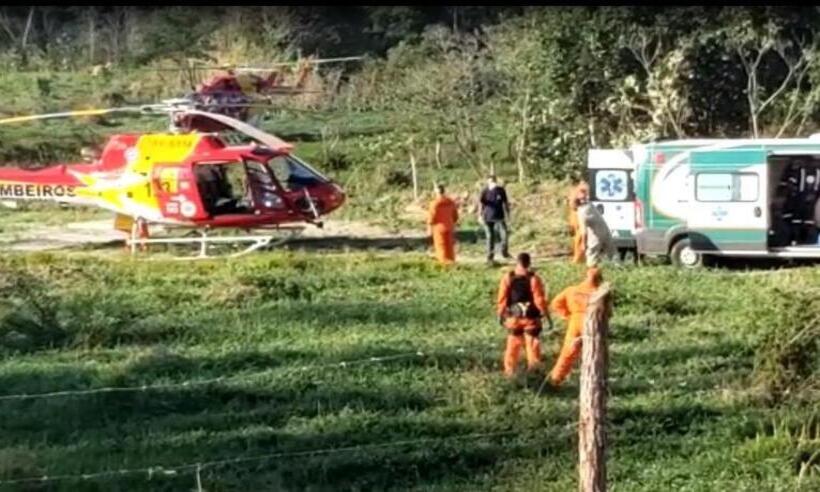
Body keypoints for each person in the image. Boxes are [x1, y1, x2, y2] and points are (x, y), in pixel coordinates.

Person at [496, 252, 551, 377]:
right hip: (530, 318)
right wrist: (547, 316)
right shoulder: (533, 279)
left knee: (512, 345)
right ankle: (534, 372)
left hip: (513, 318)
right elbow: (539, 300)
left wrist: (500, 315)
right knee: (532, 345)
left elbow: (502, 299)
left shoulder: (508, 277)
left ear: (517, 262)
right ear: (529, 263)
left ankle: (509, 372)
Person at [546, 267, 603, 386]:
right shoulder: (599, 293)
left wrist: (567, 315)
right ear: (599, 279)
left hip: (575, 322)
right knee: (594, 352)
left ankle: (556, 379)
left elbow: (555, 304)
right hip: (592, 323)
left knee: (567, 352)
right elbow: (608, 312)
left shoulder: (572, 290)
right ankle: (593, 381)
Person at [479, 175, 511, 264]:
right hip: (487, 217)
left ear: (496, 181)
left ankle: (504, 252)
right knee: (490, 237)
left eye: (493, 180)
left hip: (499, 216)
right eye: (490, 180)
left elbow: (505, 203)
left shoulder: (500, 190)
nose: (492, 182)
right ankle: (490, 256)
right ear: (487, 181)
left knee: (504, 235)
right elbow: (481, 204)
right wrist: (479, 215)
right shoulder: (484, 191)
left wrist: (508, 214)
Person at [576, 195, 615, 267]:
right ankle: (617, 268)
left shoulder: (582, 212)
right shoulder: (590, 205)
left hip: (596, 235)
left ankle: (591, 271)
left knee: (591, 255)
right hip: (606, 231)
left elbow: (584, 231)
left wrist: (583, 244)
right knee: (612, 253)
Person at [427, 183, 459, 265]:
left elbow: (431, 217)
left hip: (438, 228)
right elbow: (455, 216)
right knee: (449, 247)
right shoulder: (450, 202)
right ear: (444, 191)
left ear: (436, 192)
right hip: (449, 226)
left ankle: (443, 263)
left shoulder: (434, 203)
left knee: (441, 246)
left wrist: (429, 229)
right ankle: (452, 262)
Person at [568, 182, 590, 264]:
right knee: (578, 239)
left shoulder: (579, 191)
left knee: (579, 238)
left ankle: (578, 258)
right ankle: (578, 258)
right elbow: (573, 205)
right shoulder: (577, 192)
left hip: (578, 217)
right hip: (576, 216)